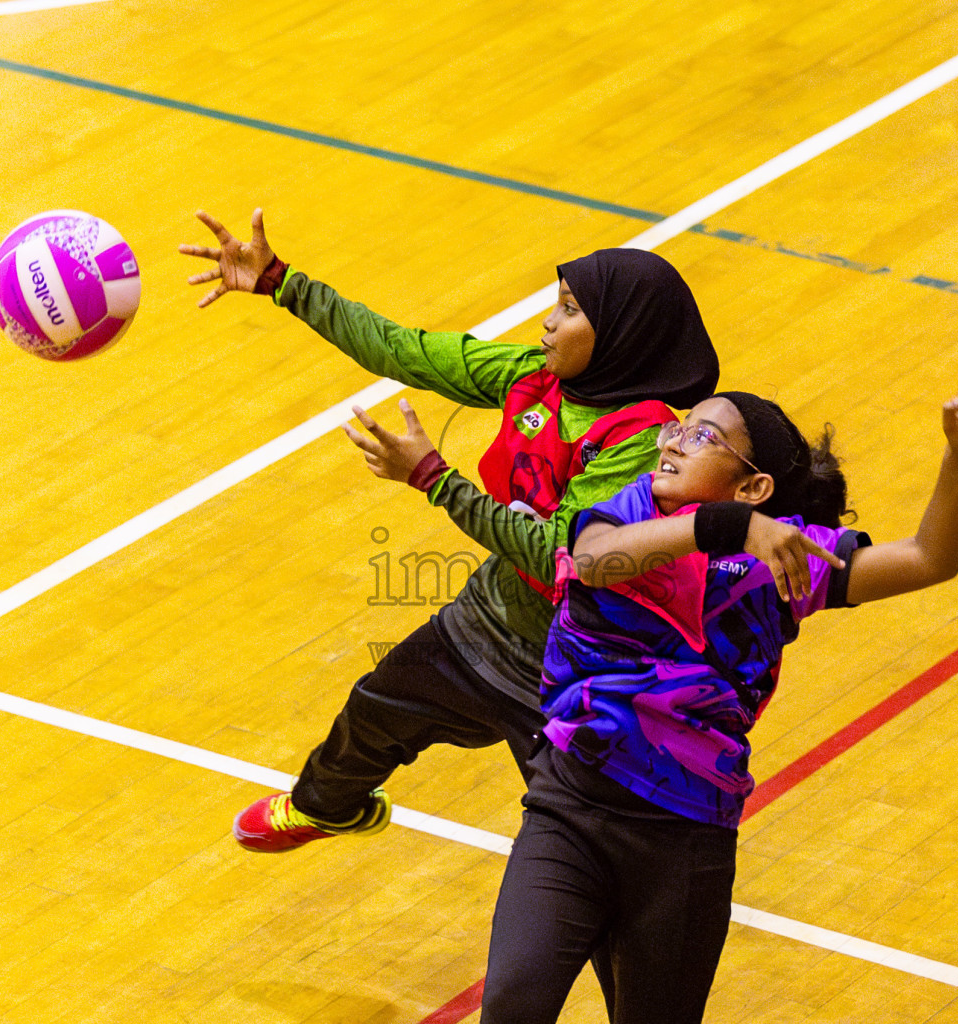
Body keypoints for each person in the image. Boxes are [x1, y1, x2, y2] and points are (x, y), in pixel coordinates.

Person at [181, 211, 832, 855]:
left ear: (621, 337)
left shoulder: (640, 442)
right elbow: (401, 348)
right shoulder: (534, 379)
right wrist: (281, 282)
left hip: (577, 669)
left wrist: (435, 478)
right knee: (374, 709)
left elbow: (558, 555)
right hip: (485, 620)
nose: (550, 321)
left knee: (573, 841)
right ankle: (325, 807)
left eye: (572, 310)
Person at [476, 346, 958, 1023]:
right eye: (679, 426)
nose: (672, 441)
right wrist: (716, 525)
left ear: (754, 487)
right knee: (511, 1006)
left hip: (685, 838)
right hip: (569, 809)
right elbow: (595, 561)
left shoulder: (777, 563)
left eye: (704, 436)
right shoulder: (625, 514)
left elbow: (929, 558)